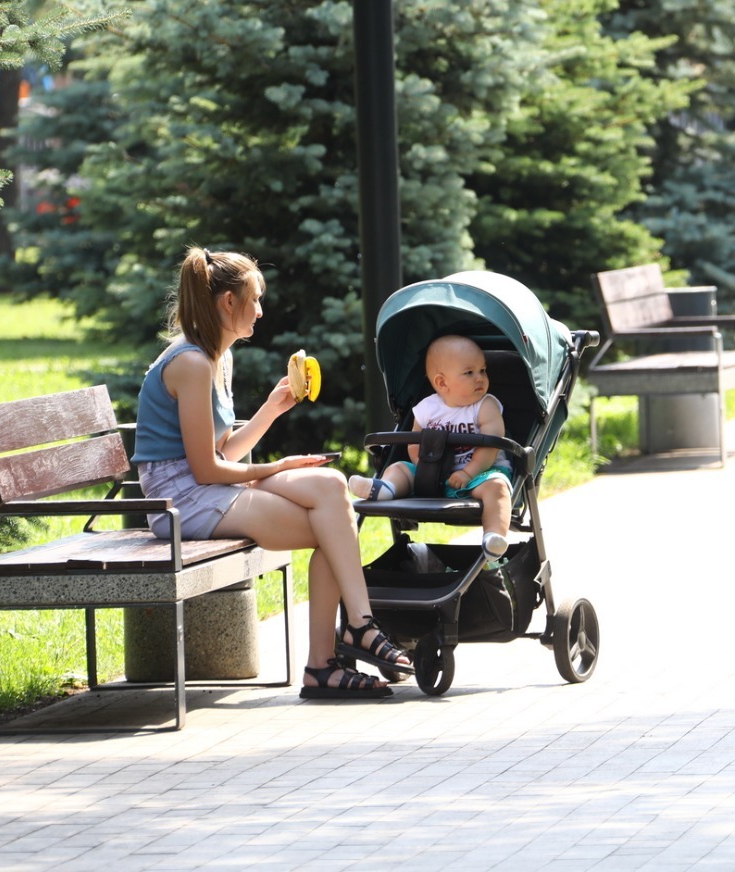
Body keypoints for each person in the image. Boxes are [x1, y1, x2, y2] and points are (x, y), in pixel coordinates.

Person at [132, 247, 412, 699]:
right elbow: (203, 468)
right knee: (332, 526)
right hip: (180, 501)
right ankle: (339, 649)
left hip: (204, 487)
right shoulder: (191, 363)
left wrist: (269, 410)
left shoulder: (215, 358)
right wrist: (277, 466)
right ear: (227, 302)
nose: (260, 311)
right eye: (255, 299)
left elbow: (221, 449)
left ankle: (350, 636)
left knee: (329, 485)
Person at [348, 335, 513, 557]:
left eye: (483, 371)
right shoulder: (426, 408)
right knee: (399, 468)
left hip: (479, 475)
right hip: (433, 475)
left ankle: (494, 538)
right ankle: (384, 488)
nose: (480, 378)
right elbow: (415, 445)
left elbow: (491, 446)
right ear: (442, 383)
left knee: (498, 488)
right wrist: (424, 469)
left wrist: (467, 472)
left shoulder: (486, 405)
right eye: (469, 372)